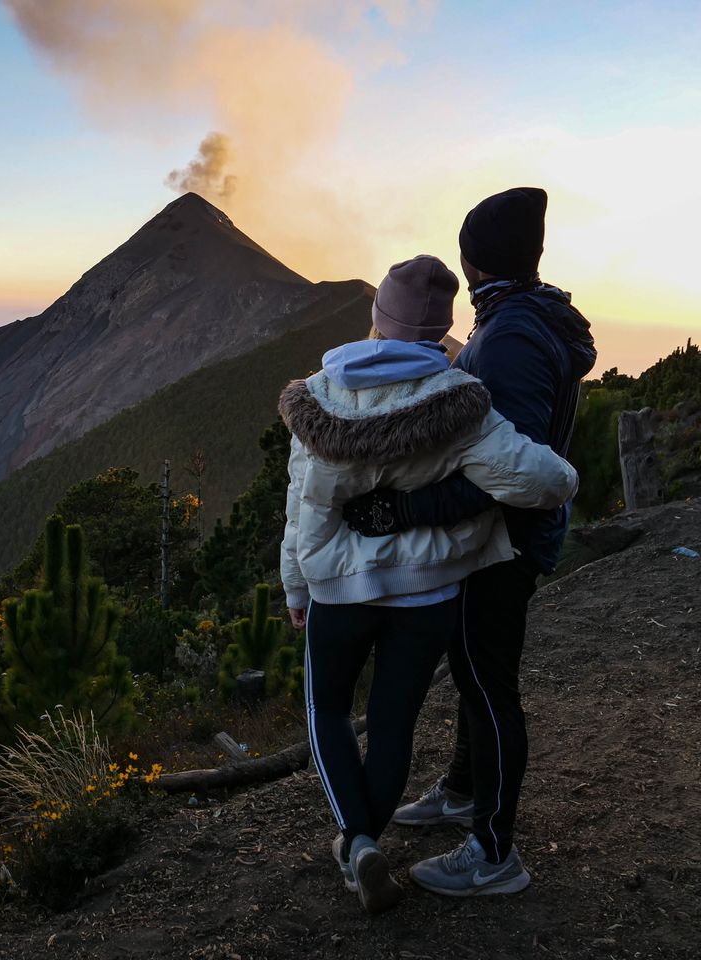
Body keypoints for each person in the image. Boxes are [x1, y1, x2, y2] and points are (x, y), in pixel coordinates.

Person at [278, 253, 579, 914]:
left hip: (338, 593)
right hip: (427, 599)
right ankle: (366, 844)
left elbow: (302, 506)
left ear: (377, 319)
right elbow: (549, 481)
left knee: (326, 711)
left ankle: (359, 844)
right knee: (392, 724)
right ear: (442, 330)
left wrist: (296, 589)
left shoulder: (320, 399)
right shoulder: (462, 405)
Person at [343, 188, 597, 897]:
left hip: (504, 542)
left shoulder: (510, 336)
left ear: (474, 261)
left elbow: (506, 474)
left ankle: (493, 853)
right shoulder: (523, 317)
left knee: (489, 684)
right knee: (473, 670)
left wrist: (406, 509)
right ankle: (461, 789)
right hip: (501, 539)